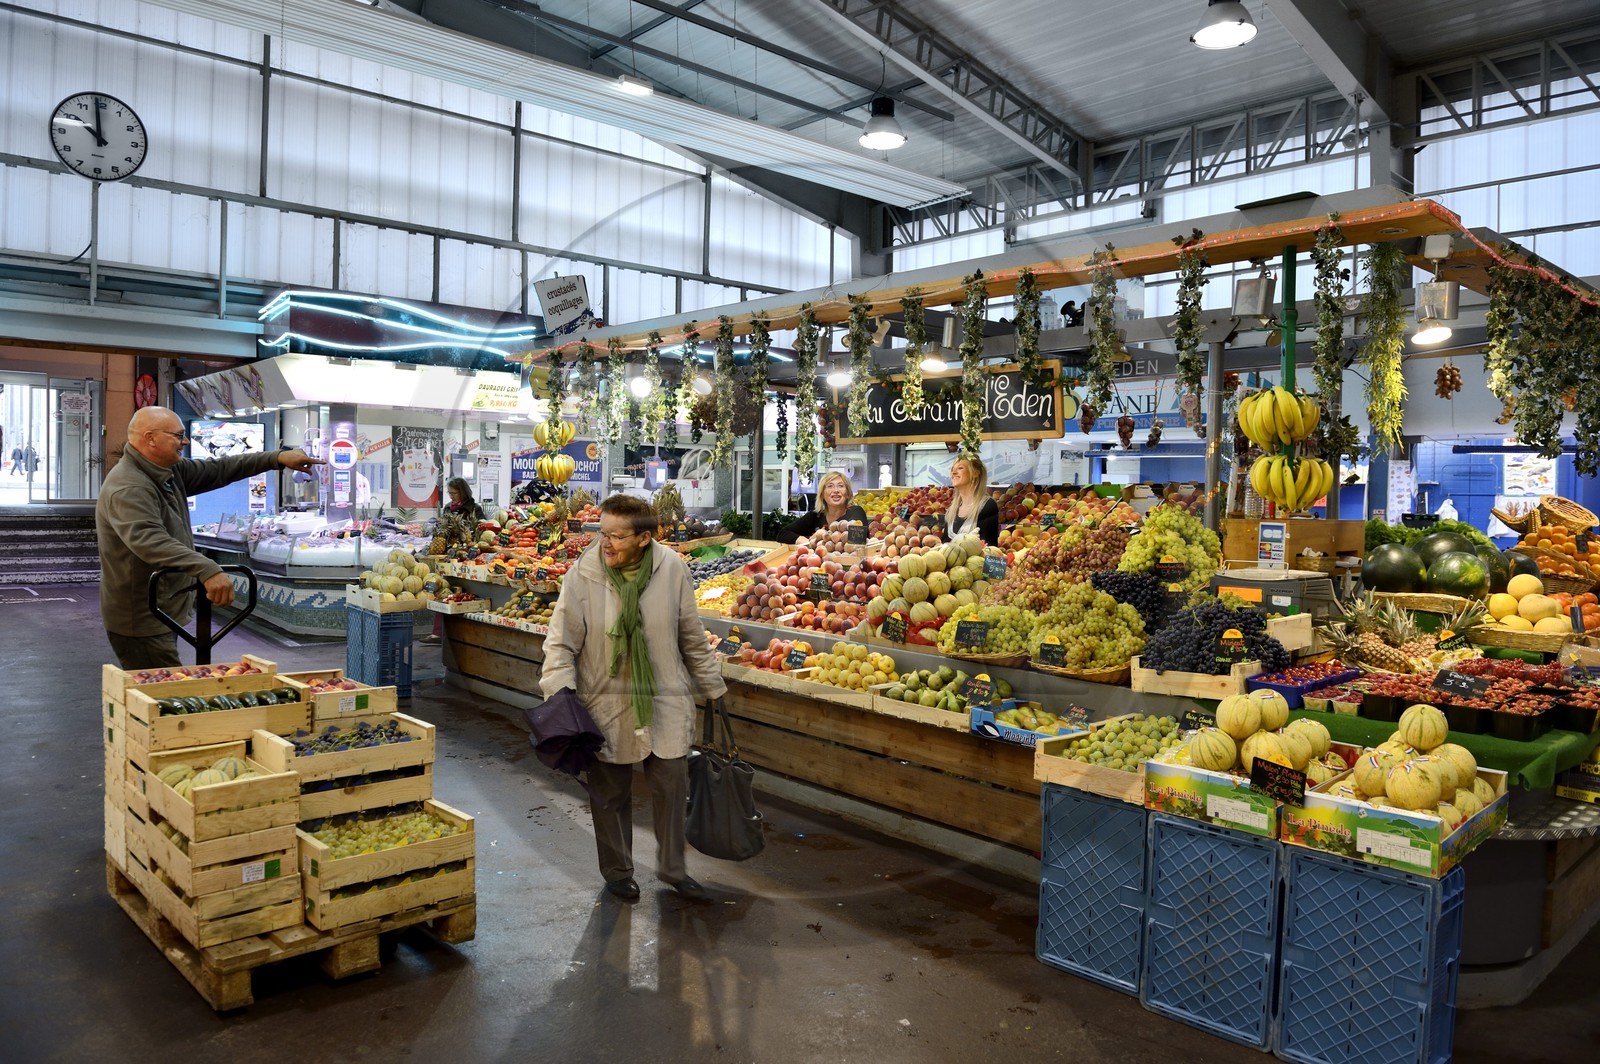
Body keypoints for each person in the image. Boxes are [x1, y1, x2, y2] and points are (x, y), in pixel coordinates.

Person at [540, 494, 728, 903]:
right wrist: (561, 692)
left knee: (672, 787)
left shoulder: (672, 568)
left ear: (645, 538)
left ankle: (673, 869)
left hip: (664, 696)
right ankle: (618, 870)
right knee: (609, 794)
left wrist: (711, 685)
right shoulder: (584, 574)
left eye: (617, 536)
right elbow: (561, 641)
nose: (606, 544)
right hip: (605, 698)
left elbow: (691, 635)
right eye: (603, 533)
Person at [95, 406, 323, 669]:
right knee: (163, 697)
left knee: (162, 693)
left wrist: (277, 458)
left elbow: (221, 468)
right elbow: (149, 541)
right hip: (141, 616)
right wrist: (207, 569)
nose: (185, 441)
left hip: (160, 609)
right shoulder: (130, 486)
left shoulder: (166, 472)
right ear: (150, 438)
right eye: (178, 435)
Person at [786, 470, 867, 542]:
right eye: (830, 486)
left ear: (848, 494)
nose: (836, 490)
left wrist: (819, 538)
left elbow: (857, 538)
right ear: (822, 495)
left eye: (841, 486)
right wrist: (805, 540)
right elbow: (784, 533)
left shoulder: (856, 512)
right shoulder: (815, 516)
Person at [945, 454, 1000, 545]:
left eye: (960, 468)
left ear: (975, 473)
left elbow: (988, 547)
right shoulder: (952, 510)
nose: (953, 472)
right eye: (952, 469)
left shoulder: (987, 505)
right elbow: (945, 541)